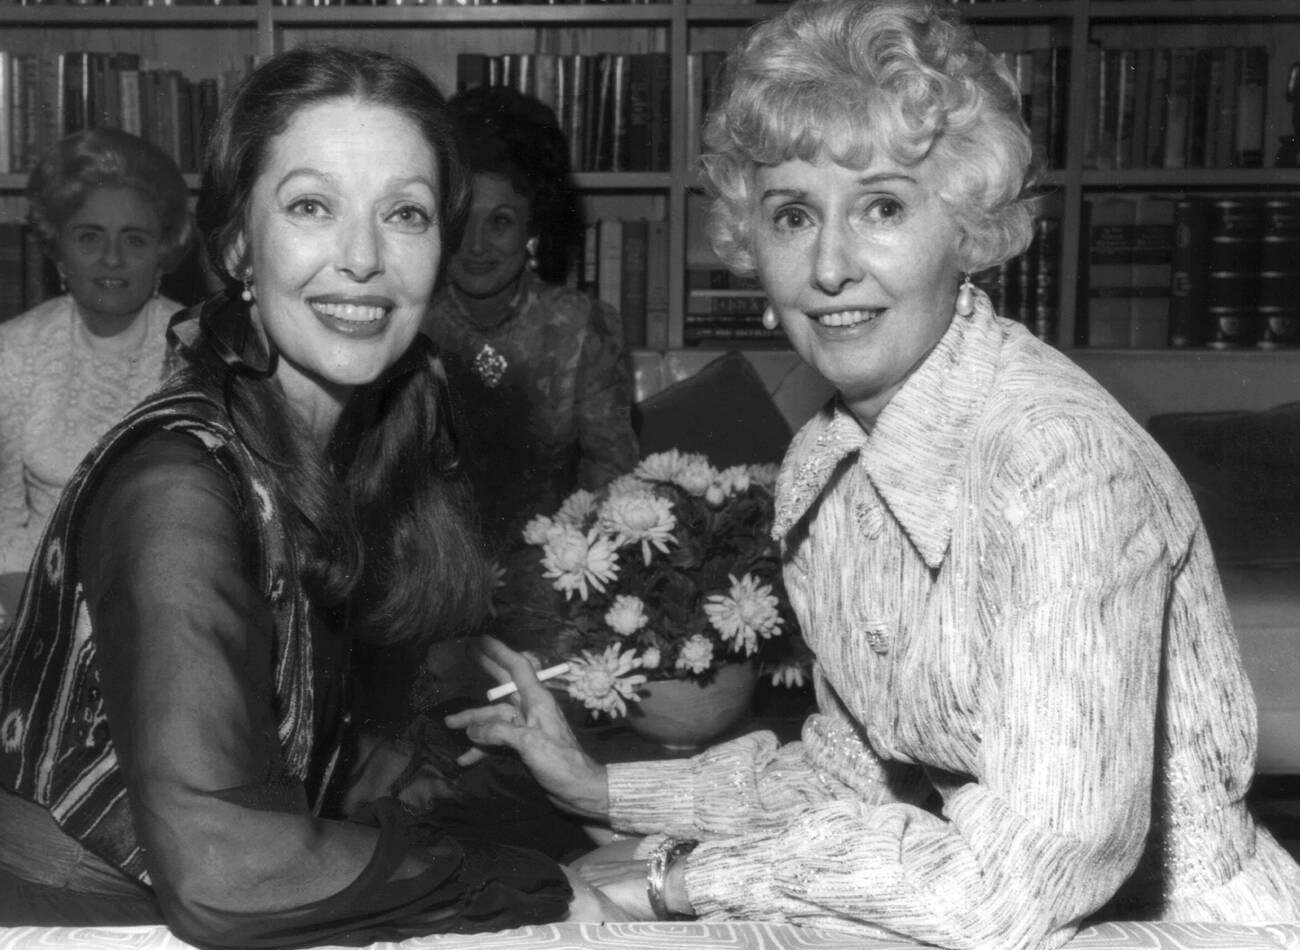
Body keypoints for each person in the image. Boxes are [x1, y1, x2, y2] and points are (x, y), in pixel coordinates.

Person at [446, 1, 1300, 947]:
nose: (831, 266)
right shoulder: (829, 460)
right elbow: (856, 776)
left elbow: (1031, 873)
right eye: (792, 215)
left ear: (966, 226)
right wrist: (603, 788)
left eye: (883, 207)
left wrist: (692, 877)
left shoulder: (1059, 468)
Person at [0, 45, 625, 945]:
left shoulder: (332, 447)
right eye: (310, 206)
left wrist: (567, 798)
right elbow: (226, 877)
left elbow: (301, 752)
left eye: (403, 213)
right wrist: (524, 883)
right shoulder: (177, 483)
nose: (363, 257)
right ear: (236, 247)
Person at [422, 84, 637, 553]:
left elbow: (612, 485)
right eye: (462, 222)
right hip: (427, 583)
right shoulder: (409, 325)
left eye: (499, 221)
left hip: (556, 578)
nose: (475, 246)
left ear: (532, 226)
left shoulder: (582, 328)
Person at [0, 128, 193, 621]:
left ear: (162, 251)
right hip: (34, 592)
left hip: (170, 595)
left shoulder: (199, 349)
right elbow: (4, 525)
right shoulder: (13, 352)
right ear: (57, 250)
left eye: (134, 239)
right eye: (89, 237)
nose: (112, 259)